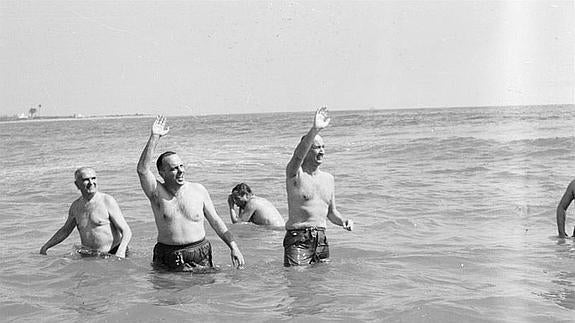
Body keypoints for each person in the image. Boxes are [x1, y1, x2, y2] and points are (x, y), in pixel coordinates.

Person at [137, 115, 245, 271]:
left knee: (203, 294)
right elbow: (142, 170)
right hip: (167, 254)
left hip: (199, 253)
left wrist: (233, 246)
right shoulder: (157, 193)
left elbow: (215, 221)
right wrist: (154, 137)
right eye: (174, 168)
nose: (181, 171)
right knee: (166, 294)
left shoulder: (198, 190)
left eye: (182, 165)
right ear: (162, 173)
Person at [283, 107, 353, 266]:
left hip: (321, 240)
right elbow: (297, 156)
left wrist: (343, 221)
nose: (322, 151)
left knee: (321, 285)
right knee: (297, 284)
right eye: (317, 147)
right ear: (307, 150)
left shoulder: (328, 178)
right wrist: (314, 130)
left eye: (323, 147)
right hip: (298, 238)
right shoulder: (295, 174)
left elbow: (331, 212)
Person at [40, 167, 132, 258]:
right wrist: (46, 247)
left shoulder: (107, 201)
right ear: (77, 184)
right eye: (86, 180)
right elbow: (65, 231)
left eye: (93, 178)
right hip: (90, 255)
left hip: (113, 252)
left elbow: (126, 231)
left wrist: (121, 250)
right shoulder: (76, 206)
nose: (91, 182)